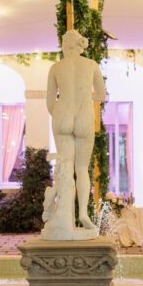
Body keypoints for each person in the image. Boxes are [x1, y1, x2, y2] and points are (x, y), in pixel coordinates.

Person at [41, 29, 106, 240]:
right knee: (82, 168)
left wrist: (60, 115)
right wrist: (87, 97)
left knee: (65, 167)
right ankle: (83, 214)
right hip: (84, 115)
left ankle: (65, 217)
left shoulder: (56, 67)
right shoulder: (91, 65)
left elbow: (50, 102)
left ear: (64, 45)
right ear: (80, 46)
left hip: (62, 114)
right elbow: (102, 95)